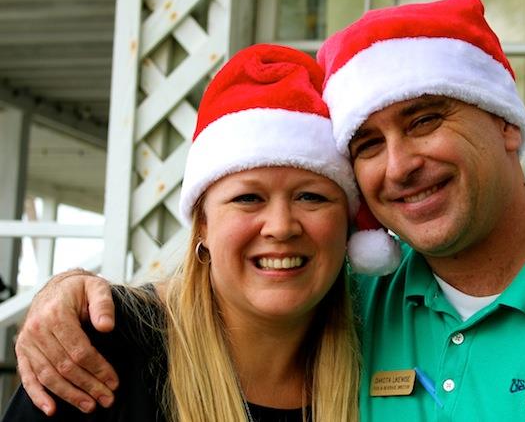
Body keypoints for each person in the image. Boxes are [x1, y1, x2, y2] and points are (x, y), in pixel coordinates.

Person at [13, 0, 525, 420]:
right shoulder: (360, 300)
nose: (398, 165)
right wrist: (65, 294)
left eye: (425, 120)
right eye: (368, 145)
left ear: (506, 124)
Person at [3, 43, 362, 421]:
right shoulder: (100, 350)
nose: (281, 226)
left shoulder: (381, 348)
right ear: (202, 223)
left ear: (348, 222)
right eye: (248, 198)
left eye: (311, 197)